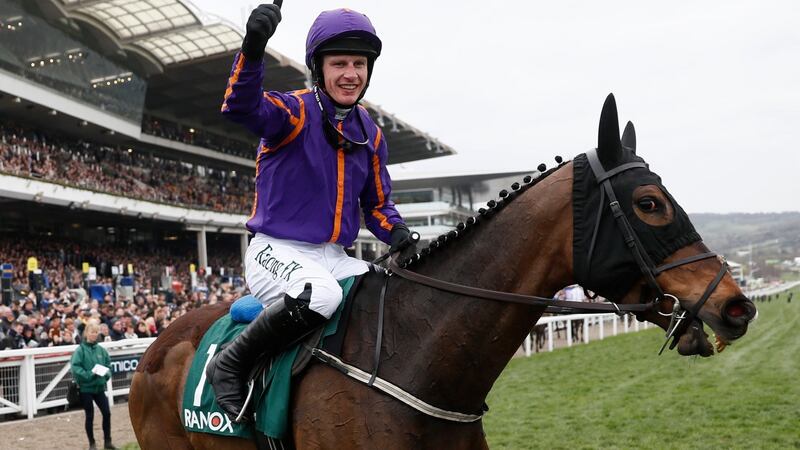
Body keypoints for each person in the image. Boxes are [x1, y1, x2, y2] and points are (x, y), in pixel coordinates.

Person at [206, 2, 412, 422]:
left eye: (359, 63)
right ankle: (228, 364)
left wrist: (399, 234)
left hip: (333, 256)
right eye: (339, 63)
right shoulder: (292, 112)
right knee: (323, 295)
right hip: (274, 250)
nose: (351, 73)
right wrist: (254, 45)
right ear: (319, 68)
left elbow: (377, 205)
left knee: (387, 290)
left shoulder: (370, 133)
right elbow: (242, 106)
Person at [70, 322, 116, 450]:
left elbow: (108, 366)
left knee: (107, 413)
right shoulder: (80, 350)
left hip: (99, 388)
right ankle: (92, 443)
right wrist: (90, 375)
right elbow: (75, 368)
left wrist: (106, 375)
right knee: (89, 416)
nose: (94, 334)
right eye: (92, 332)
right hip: (86, 389)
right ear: (86, 333)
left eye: (96, 332)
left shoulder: (101, 350)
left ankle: (108, 442)